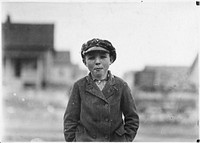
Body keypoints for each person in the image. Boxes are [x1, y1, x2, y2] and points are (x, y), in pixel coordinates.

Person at [63, 38, 139, 142]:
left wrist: (125, 140)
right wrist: (73, 141)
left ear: (111, 59)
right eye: (91, 58)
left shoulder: (121, 86)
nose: (97, 62)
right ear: (85, 62)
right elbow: (70, 120)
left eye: (103, 57)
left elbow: (132, 118)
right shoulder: (79, 86)